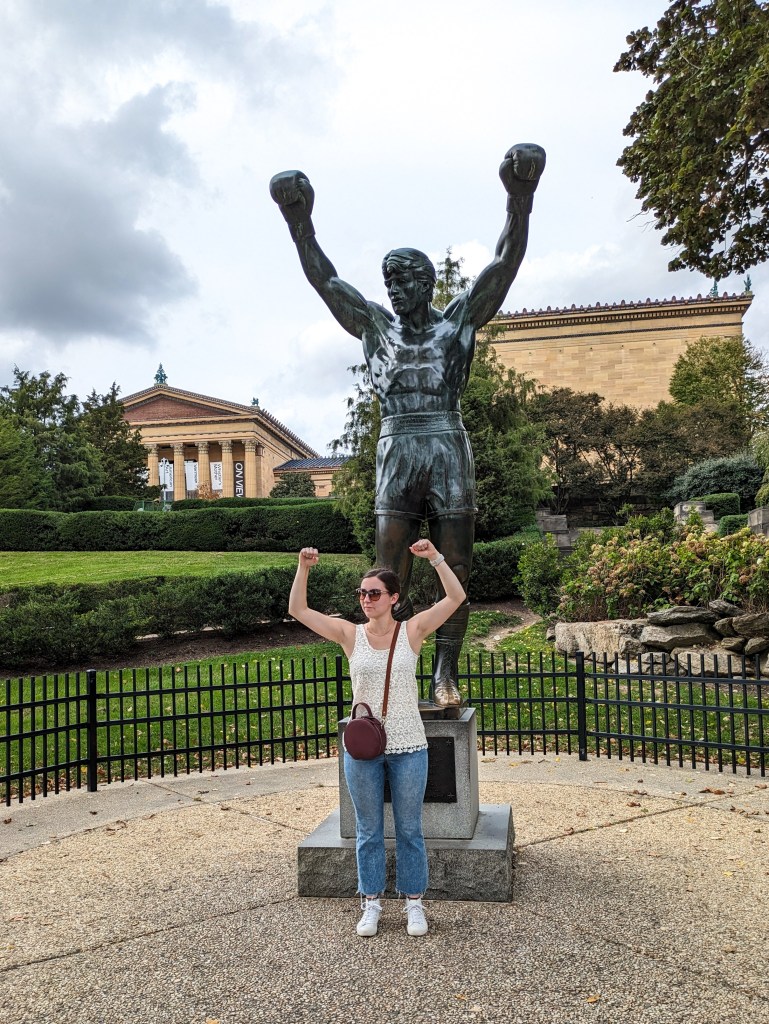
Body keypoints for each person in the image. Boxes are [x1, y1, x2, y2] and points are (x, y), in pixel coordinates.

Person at [270, 144, 545, 709]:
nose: (394, 289)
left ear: (426, 283)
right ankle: (386, 669)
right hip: (396, 444)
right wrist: (300, 222)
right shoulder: (374, 325)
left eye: (404, 280)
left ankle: (445, 671)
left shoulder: (459, 322)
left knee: (456, 565)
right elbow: (326, 280)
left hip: (447, 440)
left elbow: (505, 265)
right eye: (388, 280)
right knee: (386, 566)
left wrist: (520, 199)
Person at [288, 538, 466, 937]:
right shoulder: (349, 634)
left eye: (374, 593)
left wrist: (435, 558)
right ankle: (370, 902)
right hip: (364, 748)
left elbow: (456, 596)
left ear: (392, 597)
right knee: (368, 829)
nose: (366, 599)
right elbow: (297, 610)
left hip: (409, 747)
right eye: (362, 594)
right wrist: (303, 568)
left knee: (409, 829)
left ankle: (414, 903)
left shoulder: (413, 631)